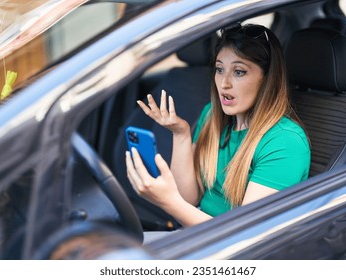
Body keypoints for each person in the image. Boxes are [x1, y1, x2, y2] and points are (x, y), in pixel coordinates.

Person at [125, 23, 311, 229]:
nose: (224, 83)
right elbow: (189, 199)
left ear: (267, 80)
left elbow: (244, 234)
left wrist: (168, 201)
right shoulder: (212, 115)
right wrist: (181, 134)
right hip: (197, 235)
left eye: (239, 72)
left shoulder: (285, 141)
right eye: (220, 69)